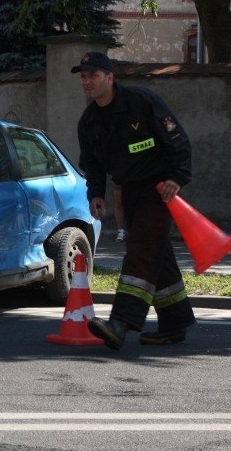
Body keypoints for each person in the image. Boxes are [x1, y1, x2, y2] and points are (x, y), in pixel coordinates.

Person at [72, 51, 195, 350]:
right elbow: (93, 165)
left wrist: (177, 178)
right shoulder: (88, 122)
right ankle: (174, 323)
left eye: (94, 75)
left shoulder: (142, 102)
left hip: (159, 189)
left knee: (141, 249)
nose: (87, 82)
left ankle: (121, 322)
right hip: (129, 192)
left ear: (110, 77)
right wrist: (96, 194)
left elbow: (179, 141)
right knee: (157, 254)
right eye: (83, 77)